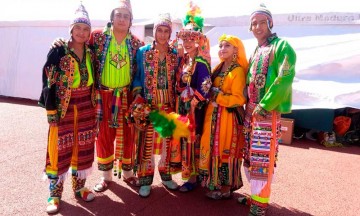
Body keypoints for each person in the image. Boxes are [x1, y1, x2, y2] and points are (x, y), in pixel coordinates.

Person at [238, 4, 296, 216]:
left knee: (262, 158)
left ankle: (259, 205)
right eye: (254, 23)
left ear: (270, 24)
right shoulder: (258, 49)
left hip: (266, 112)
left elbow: (285, 78)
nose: (257, 26)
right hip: (250, 111)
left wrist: (264, 104)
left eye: (262, 22)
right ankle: (254, 196)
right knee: (249, 156)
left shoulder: (282, 46)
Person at [38, 3, 96, 214]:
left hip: (86, 105)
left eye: (85, 29)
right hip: (64, 106)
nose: (81, 32)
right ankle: (55, 194)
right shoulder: (58, 51)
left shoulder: (91, 52)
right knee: (59, 148)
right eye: (78, 28)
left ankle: (79, 188)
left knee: (83, 146)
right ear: (71, 29)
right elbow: (48, 81)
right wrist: (51, 109)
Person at [88, 0, 145, 192]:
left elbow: (140, 72)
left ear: (131, 21)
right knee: (104, 136)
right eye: (118, 15)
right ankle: (106, 177)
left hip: (127, 96)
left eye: (126, 16)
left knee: (128, 135)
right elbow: (77, 46)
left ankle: (128, 174)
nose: (122, 19)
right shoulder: (97, 37)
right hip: (103, 95)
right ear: (111, 18)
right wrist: (62, 43)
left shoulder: (137, 43)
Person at [131, 13, 181, 198]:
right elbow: (137, 76)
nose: (162, 34)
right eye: (159, 30)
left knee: (167, 144)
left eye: (165, 31)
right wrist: (138, 96)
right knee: (147, 144)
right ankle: (145, 181)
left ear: (170, 33)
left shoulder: (175, 54)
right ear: (154, 31)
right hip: (149, 105)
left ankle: (166, 176)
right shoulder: (143, 52)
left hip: (168, 105)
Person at [199, 34, 248, 199]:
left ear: (236, 49)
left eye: (227, 46)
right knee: (213, 148)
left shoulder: (238, 71)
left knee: (227, 149)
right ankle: (215, 182)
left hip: (228, 118)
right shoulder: (218, 68)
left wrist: (218, 97)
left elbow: (239, 99)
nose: (222, 49)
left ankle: (226, 187)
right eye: (220, 46)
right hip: (213, 116)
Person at [176, 1, 212, 192]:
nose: (188, 42)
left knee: (193, 141)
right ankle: (190, 175)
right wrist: (182, 91)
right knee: (186, 140)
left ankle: (193, 178)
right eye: (186, 39)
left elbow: (206, 85)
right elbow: (181, 82)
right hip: (184, 107)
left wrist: (193, 101)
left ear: (199, 41)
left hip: (195, 110)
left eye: (192, 39)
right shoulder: (186, 60)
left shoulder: (200, 62)